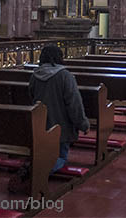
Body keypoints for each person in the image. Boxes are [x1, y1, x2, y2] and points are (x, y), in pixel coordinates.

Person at [29, 45, 90, 173]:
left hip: (40, 125)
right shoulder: (65, 76)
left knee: (44, 152)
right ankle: (37, 172)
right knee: (61, 158)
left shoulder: (35, 75)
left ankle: (34, 166)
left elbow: (31, 97)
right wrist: (83, 124)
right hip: (61, 129)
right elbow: (74, 104)